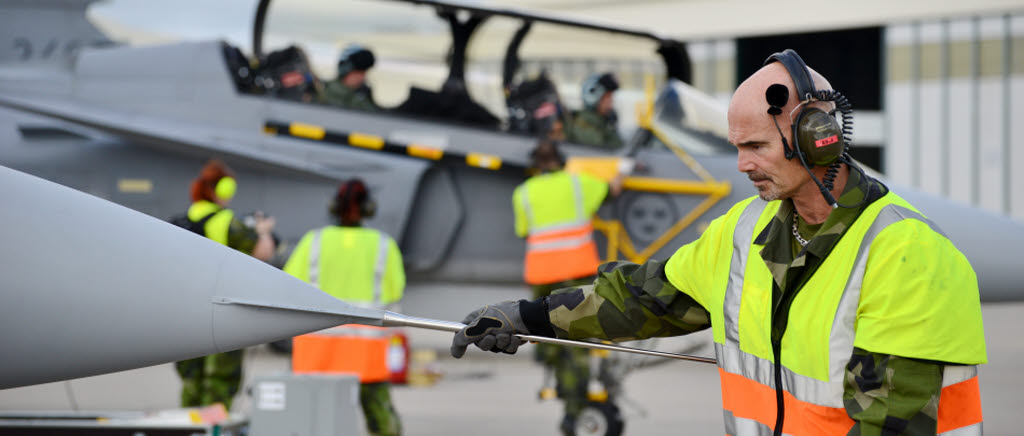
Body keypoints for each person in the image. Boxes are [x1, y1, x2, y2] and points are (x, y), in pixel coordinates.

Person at [451, 49, 986, 436]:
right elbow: (647, 297)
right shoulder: (744, 230)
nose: (742, 165)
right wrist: (527, 316)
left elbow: (891, 425)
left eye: (755, 145)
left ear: (816, 136)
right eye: (736, 146)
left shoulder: (907, 255)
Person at [512, 138, 622, 434]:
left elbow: (524, 231)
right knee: (578, 340)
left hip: (542, 276)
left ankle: (555, 375)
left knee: (547, 334)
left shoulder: (523, 193)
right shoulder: (578, 184)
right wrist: (619, 171)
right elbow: (612, 189)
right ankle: (575, 404)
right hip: (576, 273)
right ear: (562, 161)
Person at [283, 179, 405, 436]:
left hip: (315, 354)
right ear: (369, 208)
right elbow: (395, 293)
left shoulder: (312, 242)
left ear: (333, 206)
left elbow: (288, 286)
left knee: (309, 422)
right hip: (366, 353)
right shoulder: (384, 245)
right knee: (383, 423)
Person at [175, 159, 276, 410]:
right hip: (219, 314)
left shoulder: (182, 220)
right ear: (221, 190)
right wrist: (262, 230)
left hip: (187, 312)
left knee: (192, 381)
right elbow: (263, 252)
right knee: (219, 383)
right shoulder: (225, 221)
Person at [566, 72, 622, 149]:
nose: (611, 102)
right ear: (592, 98)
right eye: (607, 97)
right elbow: (608, 151)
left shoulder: (601, 124)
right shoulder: (585, 127)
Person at [322, 44, 379, 111]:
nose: (362, 77)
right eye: (358, 72)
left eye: (364, 72)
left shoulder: (362, 93)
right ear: (345, 70)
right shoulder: (333, 92)